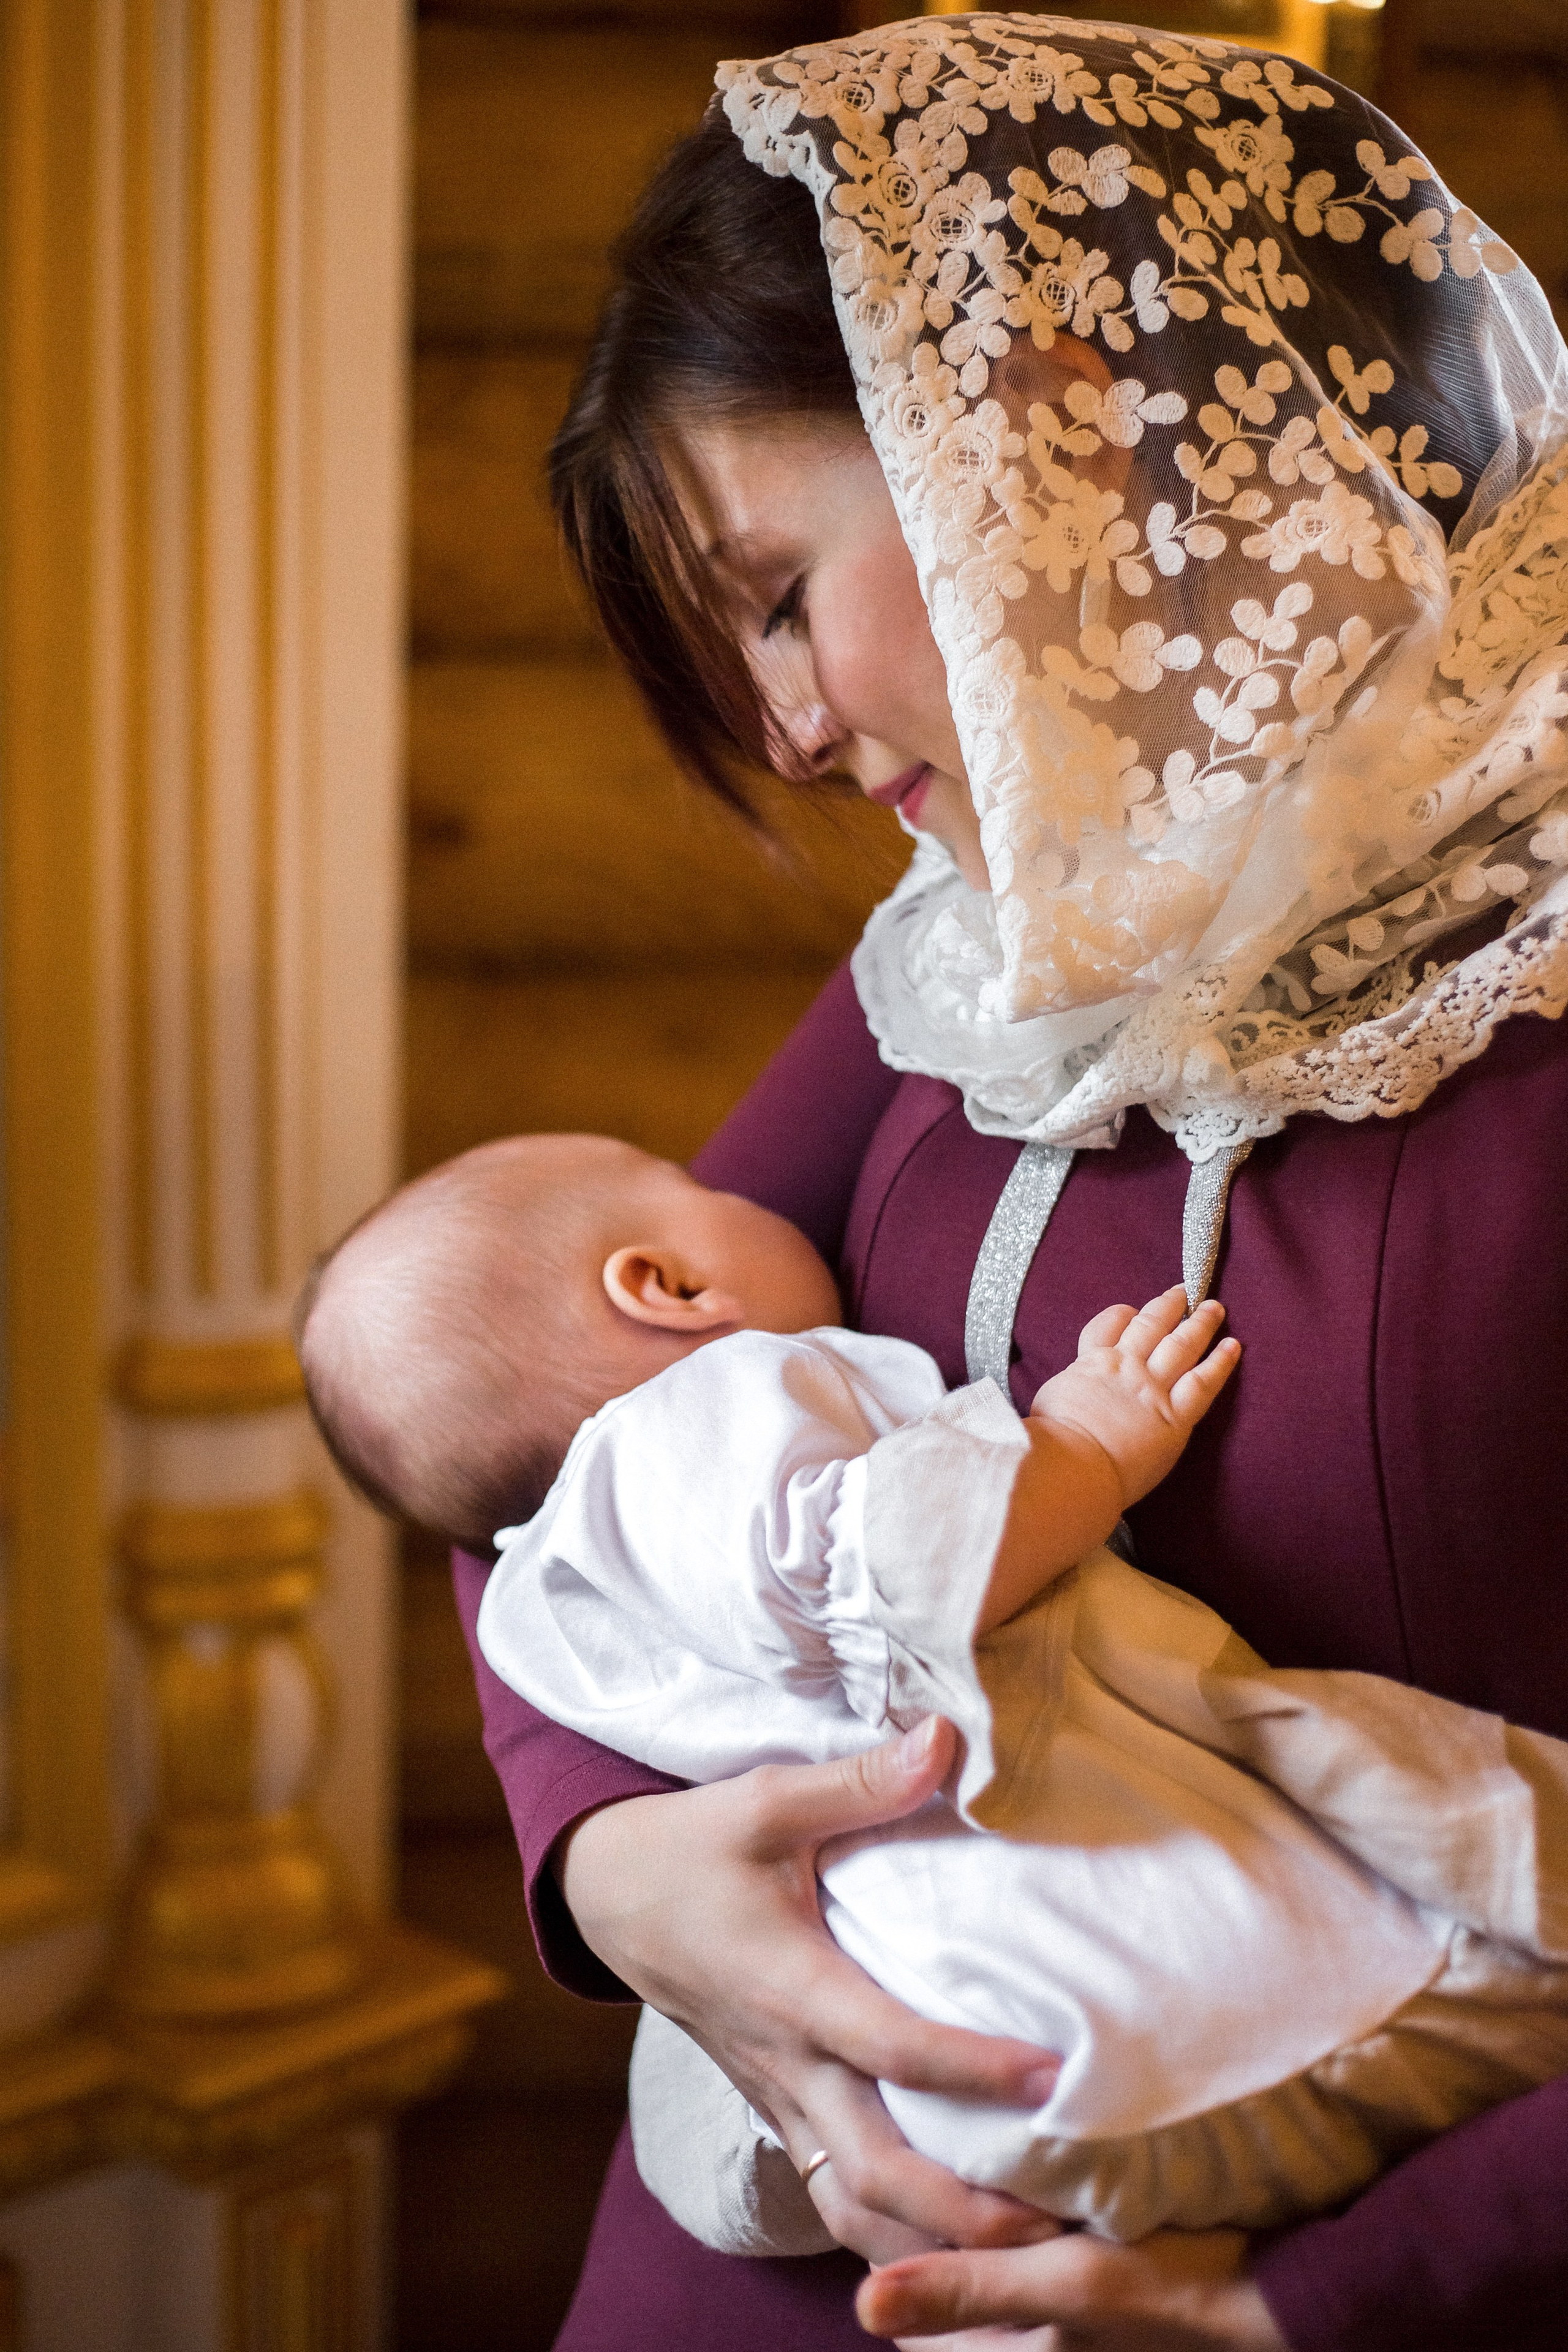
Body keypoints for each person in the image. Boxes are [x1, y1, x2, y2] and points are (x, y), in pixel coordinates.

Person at [448, 15, 1568, 2346]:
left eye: (772, 595)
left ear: (1042, 419)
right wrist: (621, 1860)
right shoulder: (963, 970)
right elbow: (531, 1428)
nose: (781, 732)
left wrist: (1300, 2313)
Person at [301, 1129, 1568, 2260]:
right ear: (666, 1287)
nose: (738, 1187)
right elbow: (897, 1568)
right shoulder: (702, 1409)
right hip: (1158, 1974)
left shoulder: (544, 1595)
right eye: (691, 1189)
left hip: (963, 2088)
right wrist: (1085, 1443)